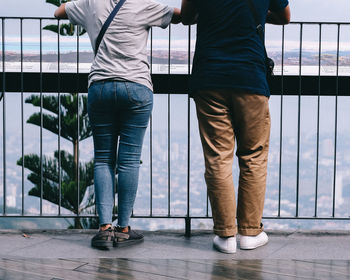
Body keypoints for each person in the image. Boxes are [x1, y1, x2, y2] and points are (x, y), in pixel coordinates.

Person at [55, 0, 180, 249]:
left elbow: (58, 12)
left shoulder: (90, 3)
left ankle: (103, 228)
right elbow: (181, 16)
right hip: (136, 87)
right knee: (129, 159)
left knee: (103, 158)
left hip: (100, 86)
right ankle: (123, 229)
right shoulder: (143, 4)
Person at [181, 0, 290, 253]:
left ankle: (225, 235)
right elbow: (285, 16)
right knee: (253, 156)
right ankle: (250, 233)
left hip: (209, 77)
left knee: (218, 158)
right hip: (250, 77)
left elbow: (187, 16)